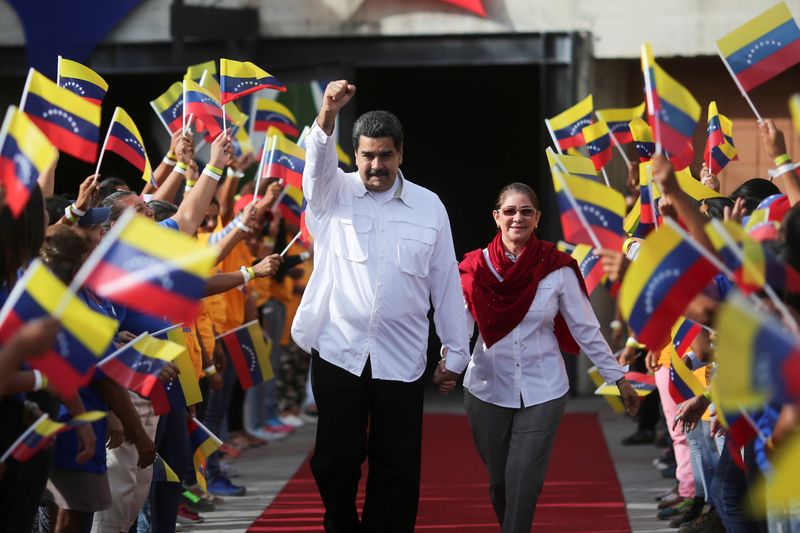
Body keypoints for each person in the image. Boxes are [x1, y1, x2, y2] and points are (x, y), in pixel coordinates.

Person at [291, 80, 470, 532]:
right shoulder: (332, 193)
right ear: (354, 155)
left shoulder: (429, 206)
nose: (376, 165)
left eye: (385, 155)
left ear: (401, 154)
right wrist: (328, 113)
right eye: (368, 155)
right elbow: (315, 165)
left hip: (402, 359)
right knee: (335, 459)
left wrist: (456, 353)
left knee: (397, 467)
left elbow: (445, 282)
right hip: (339, 352)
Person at [435, 182, 639, 533]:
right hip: (486, 387)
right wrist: (449, 367)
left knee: (523, 478)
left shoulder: (557, 268)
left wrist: (618, 378)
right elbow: (459, 329)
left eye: (526, 211)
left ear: (538, 218)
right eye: (510, 211)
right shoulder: (474, 268)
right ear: (496, 217)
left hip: (544, 387)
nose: (518, 218)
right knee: (500, 483)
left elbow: (585, 328)